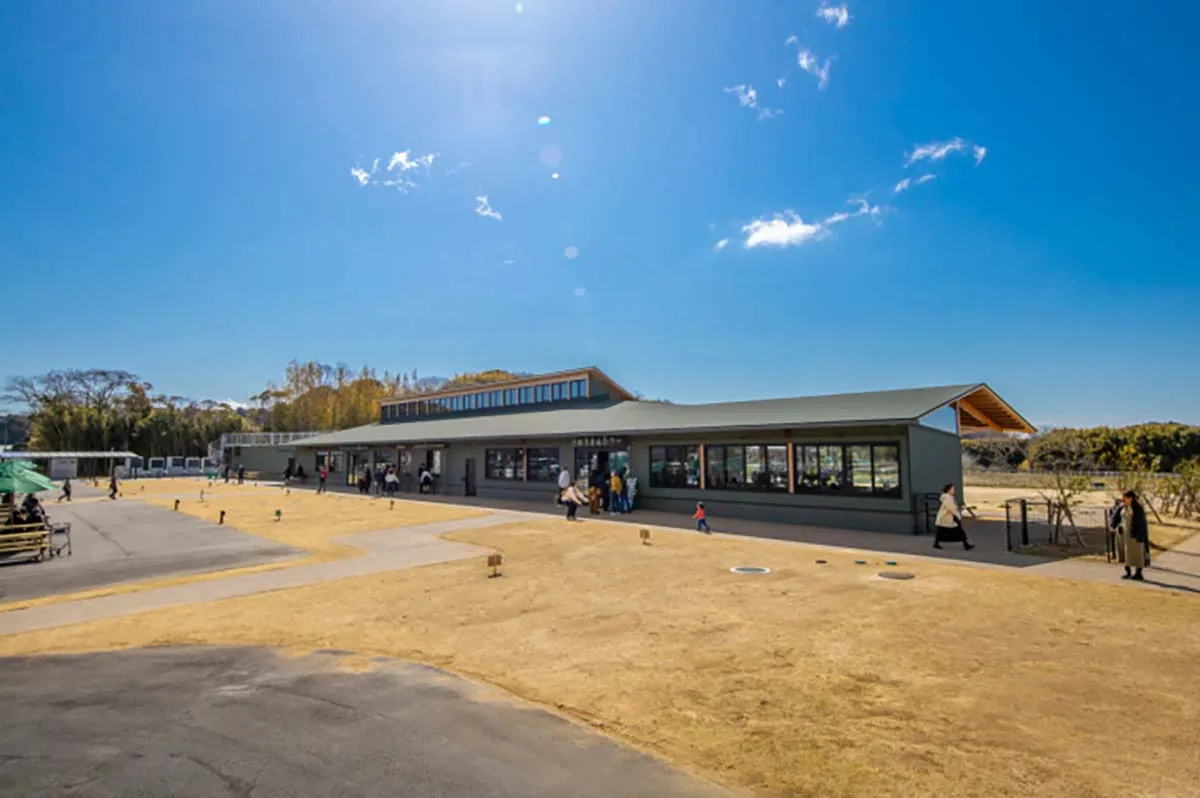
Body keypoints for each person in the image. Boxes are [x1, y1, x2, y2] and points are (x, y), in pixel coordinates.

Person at [933, 483, 974, 550]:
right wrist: (958, 515)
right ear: (948, 490)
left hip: (946, 518)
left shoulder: (948, 497)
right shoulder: (947, 498)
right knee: (958, 530)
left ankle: (965, 544)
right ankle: (965, 544)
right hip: (946, 518)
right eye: (952, 489)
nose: (954, 490)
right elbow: (951, 508)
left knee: (941, 532)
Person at [1119, 490, 1148, 581]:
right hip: (1126, 534)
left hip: (1135, 535)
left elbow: (1142, 523)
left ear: (1130, 498)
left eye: (1126, 498)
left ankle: (1138, 573)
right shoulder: (1125, 507)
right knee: (1127, 554)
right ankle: (1128, 572)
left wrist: (1139, 535)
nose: (1124, 500)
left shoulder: (1138, 508)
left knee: (1137, 554)